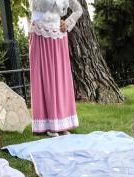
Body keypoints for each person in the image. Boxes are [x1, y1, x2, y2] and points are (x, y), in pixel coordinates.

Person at [29, 0, 83, 135]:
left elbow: (78, 10)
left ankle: (62, 124)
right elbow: (35, 10)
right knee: (45, 78)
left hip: (58, 36)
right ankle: (49, 124)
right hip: (41, 36)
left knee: (60, 79)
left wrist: (68, 23)